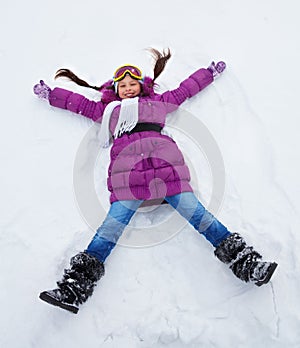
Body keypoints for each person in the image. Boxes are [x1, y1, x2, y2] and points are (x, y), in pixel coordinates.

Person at [34, 48, 277, 314]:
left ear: (141, 85)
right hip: (128, 180)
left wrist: (208, 73)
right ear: (115, 90)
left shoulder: (157, 104)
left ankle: (248, 264)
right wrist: (51, 95)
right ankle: (73, 289)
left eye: (132, 84)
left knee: (202, 217)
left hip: (167, 173)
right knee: (109, 230)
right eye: (122, 85)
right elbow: (79, 104)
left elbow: (185, 90)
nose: (128, 88)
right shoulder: (108, 111)